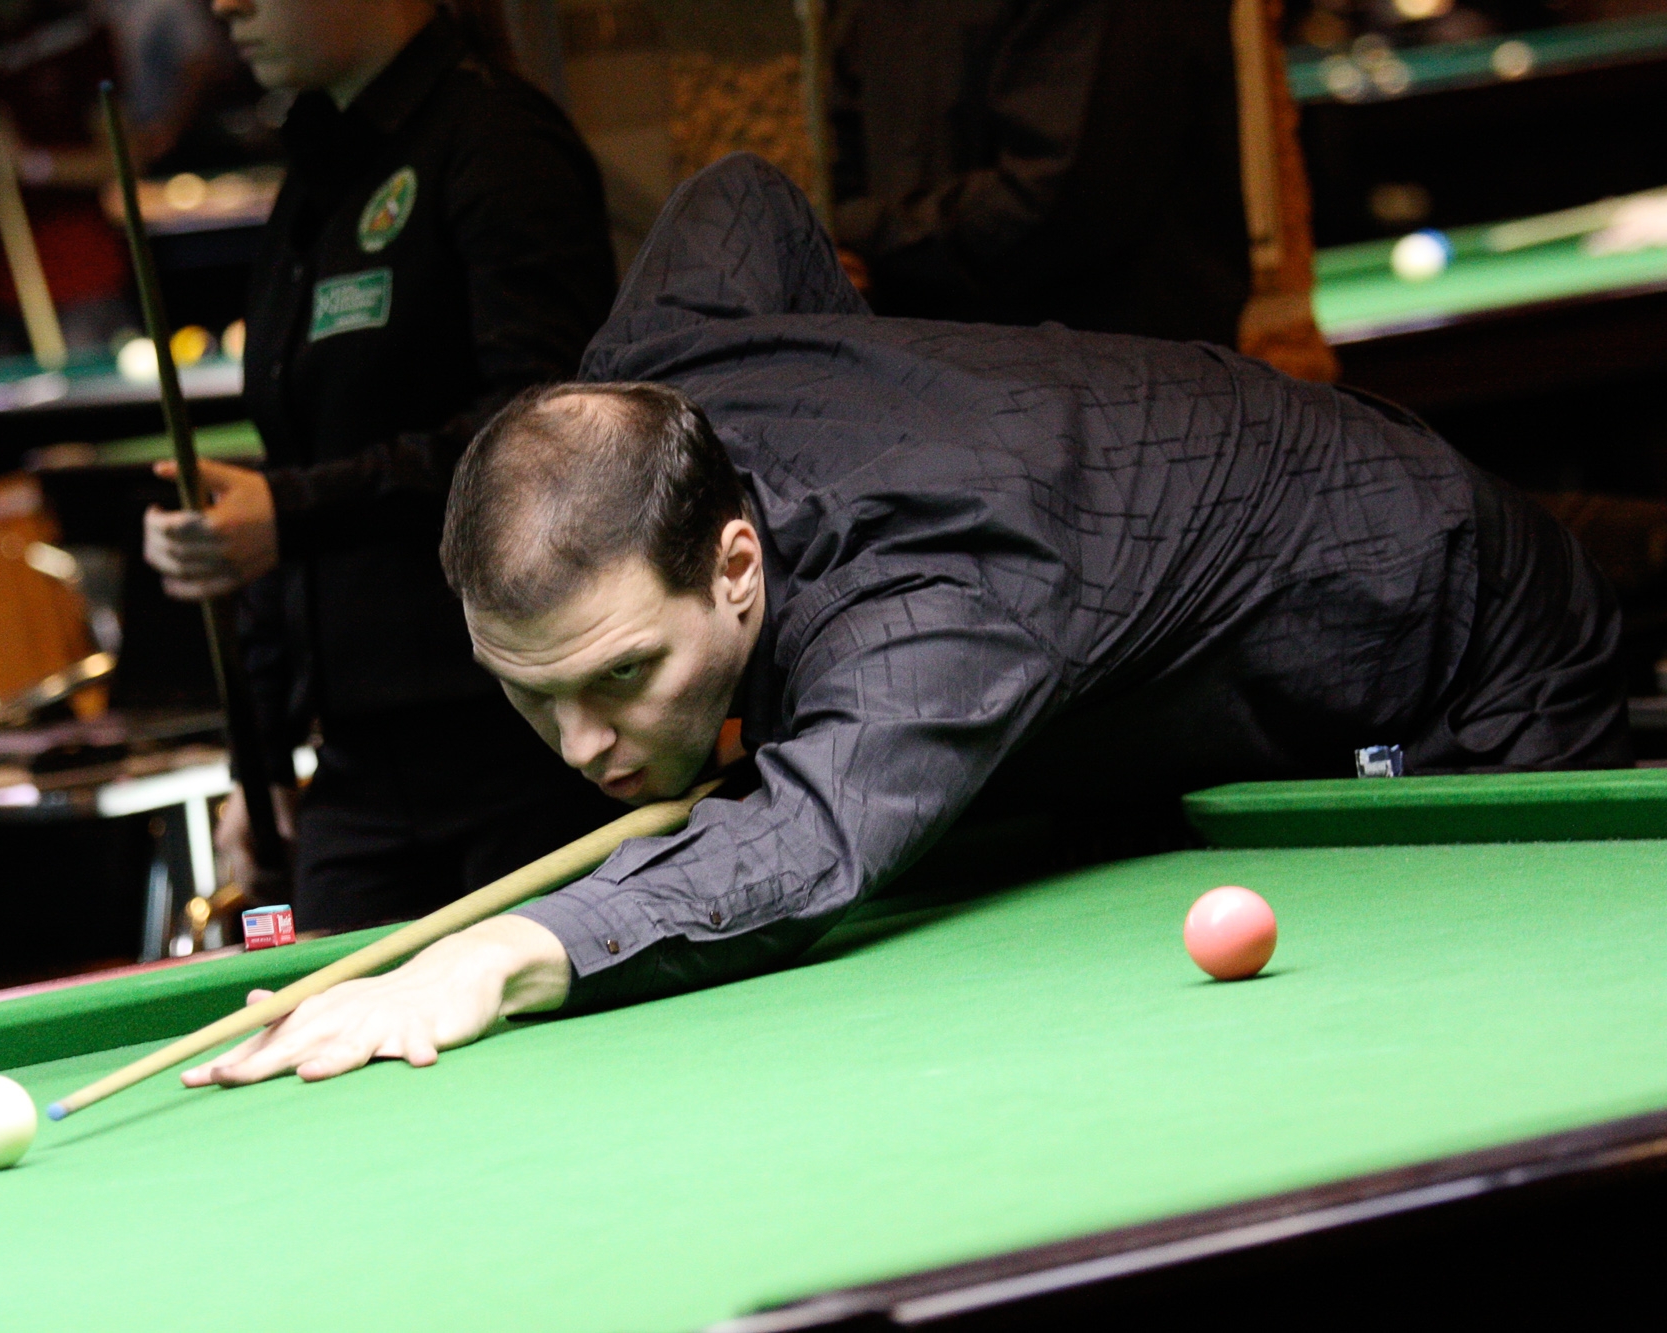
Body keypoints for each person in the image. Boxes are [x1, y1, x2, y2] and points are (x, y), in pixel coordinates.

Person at [180, 154, 1626, 1087]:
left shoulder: (935, 588)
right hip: (1207, 664)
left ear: (735, 563)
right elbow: (738, 197)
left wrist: (507, 950)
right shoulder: (662, 371)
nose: (581, 744)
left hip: (1449, 633)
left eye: (620, 675)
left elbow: (812, 832)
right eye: (530, 692)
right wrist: (857, 374)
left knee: (1509, 1052)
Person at [143, 0, 622, 932]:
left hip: (520, 752)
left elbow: (545, 434)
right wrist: (262, 760)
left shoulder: (499, 143)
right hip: (358, 776)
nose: (226, 4)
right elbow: (293, 467)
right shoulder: (317, 174)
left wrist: (291, 510)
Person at [830, 0, 1334, 380]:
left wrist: (853, 231)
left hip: (1114, 400)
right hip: (937, 392)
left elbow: (1061, 202)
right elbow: (836, 138)